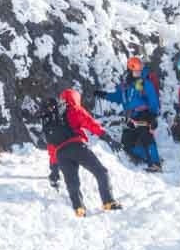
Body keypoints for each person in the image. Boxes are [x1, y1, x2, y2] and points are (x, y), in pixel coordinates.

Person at [42, 88, 122, 217]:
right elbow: (91, 124)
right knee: (101, 171)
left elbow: (51, 149)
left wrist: (54, 170)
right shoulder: (74, 109)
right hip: (77, 147)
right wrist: (108, 138)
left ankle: (79, 209)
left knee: (72, 182)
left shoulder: (53, 119)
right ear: (75, 98)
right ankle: (108, 202)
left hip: (61, 154)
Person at [96, 56, 162, 172]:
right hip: (131, 118)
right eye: (135, 70)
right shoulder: (125, 86)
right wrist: (104, 95)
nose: (138, 72)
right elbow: (118, 97)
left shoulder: (145, 83)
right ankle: (147, 158)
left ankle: (156, 163)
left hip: (144, 115)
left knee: (146, 137)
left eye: (139, 70)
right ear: (130, 70)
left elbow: (153, 101)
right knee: (127, 144)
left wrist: (153, 117)